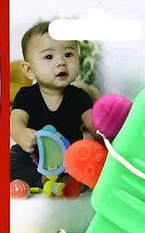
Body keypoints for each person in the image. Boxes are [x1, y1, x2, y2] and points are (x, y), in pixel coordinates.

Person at [10, 21, 100, 188]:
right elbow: (15, 121)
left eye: (68, 54)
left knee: (87, 157)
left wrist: (106, 139)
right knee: (11, 159)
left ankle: (67, 180)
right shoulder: (26, 95)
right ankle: (38, 181)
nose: (61, 61)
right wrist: (21, 135)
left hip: (68, 157)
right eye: (49, 57)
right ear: (29, 70)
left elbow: (94, 125)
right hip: (34, 155)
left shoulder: (80, 97)